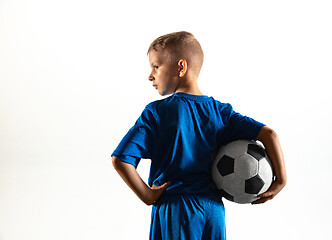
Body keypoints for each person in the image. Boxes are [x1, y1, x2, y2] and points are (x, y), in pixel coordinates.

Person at [111, 31, 287, 240]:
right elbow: (269, 134)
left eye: (156, 66)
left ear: (181, 67)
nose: (150, 75)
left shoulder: (156, 112)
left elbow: (120, 159)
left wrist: (148, 195)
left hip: (176, 207)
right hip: (213, 210)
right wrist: (280, 180)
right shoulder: (221, 112)